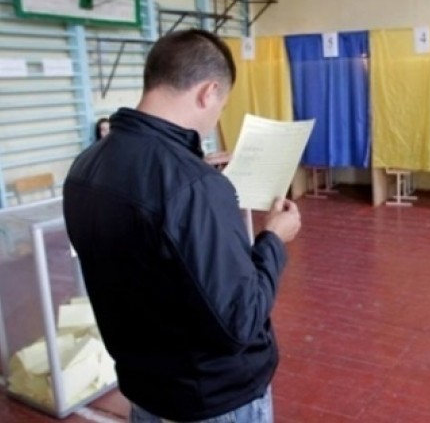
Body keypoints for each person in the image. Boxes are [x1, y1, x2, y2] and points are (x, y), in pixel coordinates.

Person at [63, 29, 300, 423]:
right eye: (221, 106)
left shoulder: (86, 166)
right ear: (209, 92)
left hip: (145, 388)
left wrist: (193, 177)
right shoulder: (193, 188)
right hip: (213, 397)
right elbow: (240, 318)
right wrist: (274, 238)